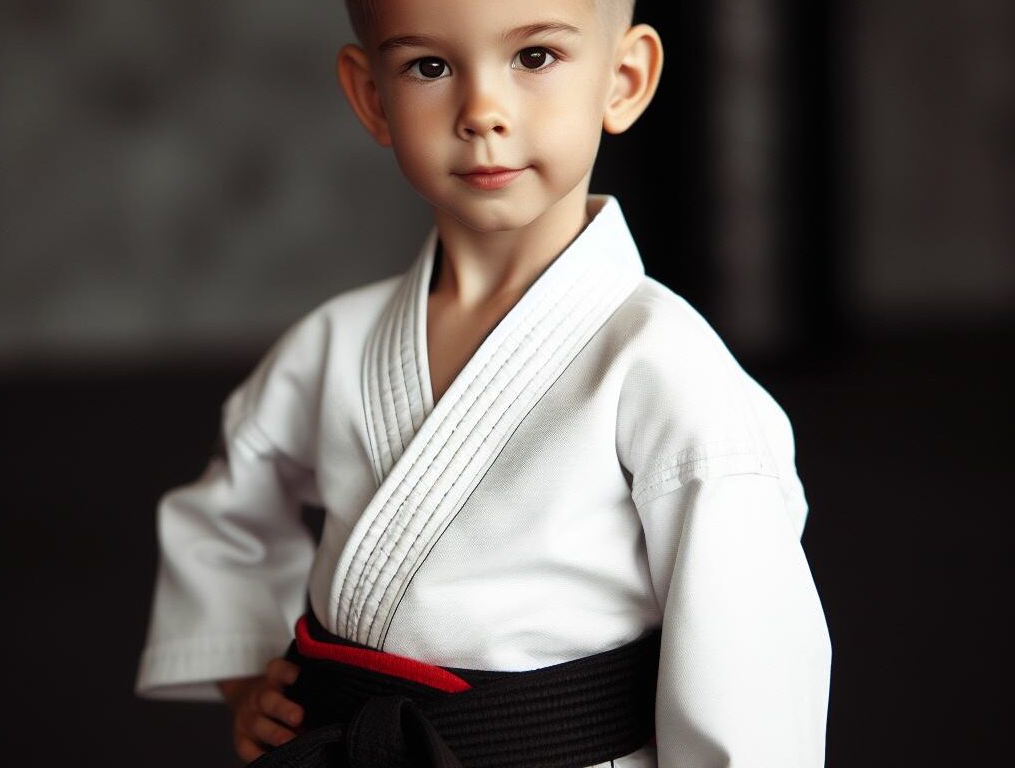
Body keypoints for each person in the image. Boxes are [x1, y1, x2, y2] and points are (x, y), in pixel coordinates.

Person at [136, 0, 832, 766]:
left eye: (534, 57)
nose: (482, 112)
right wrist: (247, 675)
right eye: (429, 67)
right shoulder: (335, 341)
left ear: (623, 79)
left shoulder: (663, 364)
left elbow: (747, 649)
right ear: (372, 97)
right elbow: (227, 508)